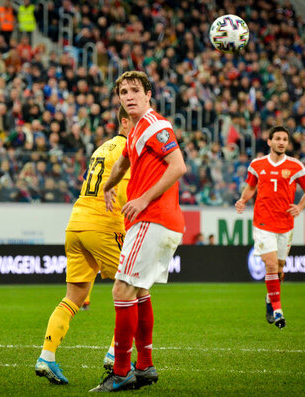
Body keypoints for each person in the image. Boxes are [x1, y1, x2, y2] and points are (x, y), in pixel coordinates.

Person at [90, 71, 186, 392]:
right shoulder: (135, 131)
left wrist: (143, 197)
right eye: (122, 92)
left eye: (134, 91)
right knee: (140, 291)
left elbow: (178, 165)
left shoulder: (155, 126)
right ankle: (144, 367)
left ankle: (121, 372)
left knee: (121, 290)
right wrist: (109, 186)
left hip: (152, 218)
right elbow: (123, 163)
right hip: (158, 221)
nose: (128, 97)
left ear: (148, 94)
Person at [35, 107, 132, 385]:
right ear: (124, 122)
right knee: (134, 290)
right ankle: (116, 354)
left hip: (76, 224)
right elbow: (127, 191)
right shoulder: (128, 150)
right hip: (104, 225)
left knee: (74, 297)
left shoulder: (101, 148)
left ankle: (47, 356)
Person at [234, 125, 305, 330]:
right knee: (270, 265)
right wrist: (243, 200)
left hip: (285, 224)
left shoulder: (296, 166)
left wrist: (300, 206)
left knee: (279, 270)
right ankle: (278, 310)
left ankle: (270, 298)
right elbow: (251, 186)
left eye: (285, 139)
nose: (281, 142)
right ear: (269, 142)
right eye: (277, 138)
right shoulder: (257, 164)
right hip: (262, 223)